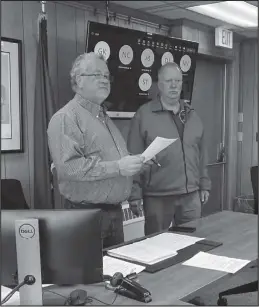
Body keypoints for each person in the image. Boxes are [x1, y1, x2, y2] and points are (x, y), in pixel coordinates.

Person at [47, 52, 145, 248]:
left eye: (106, 76)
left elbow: (114, 160)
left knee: (116, 275)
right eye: (97, 75)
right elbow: (70, 168)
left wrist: (136, 162)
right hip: (86, 216)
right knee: (91, 278)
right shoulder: (66, 118)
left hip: (114, 214)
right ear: (79, 80)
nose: (104, 80)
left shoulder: (104, 118)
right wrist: (118, 167)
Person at [127, 62, 211, 235]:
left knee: (191, 244)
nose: (174, 85)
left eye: (178, 81)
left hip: (190, 196)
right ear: (159, 84)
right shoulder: (144, 115)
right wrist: (134, 194)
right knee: (157, 249)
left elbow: (201, 153)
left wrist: (204, 184)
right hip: (157, 197)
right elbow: (133, 155)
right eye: (168, 81)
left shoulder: (192, 114)